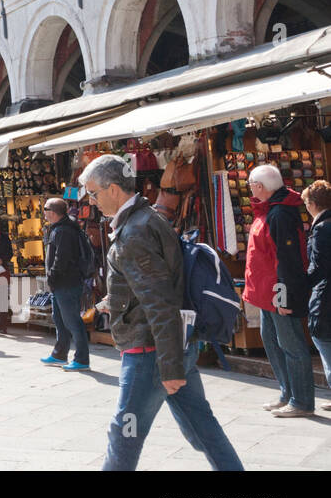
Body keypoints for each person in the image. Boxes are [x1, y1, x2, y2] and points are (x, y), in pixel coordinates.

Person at [79, 154, 243, 471]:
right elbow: (153, 287)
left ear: (113, 189)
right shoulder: (148, 218)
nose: (93, 200)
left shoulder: (134, 233)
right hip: (174, 344)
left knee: (123, 434)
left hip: (150, 353)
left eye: (94, 193)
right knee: (203, 429)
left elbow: (160, 303)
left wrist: (170, 368)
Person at [244, 163, 314, 417]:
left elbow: (287, 258)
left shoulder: (279, 214)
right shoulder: (272, 210)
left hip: (277, 294)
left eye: (251, 184)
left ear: (259, 186)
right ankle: (288, 392)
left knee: (291, 346)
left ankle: (302, 401)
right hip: (267, 293)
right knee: (272, 342)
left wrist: (283, 297)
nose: (250, 189)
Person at [40, 197, 91, 371]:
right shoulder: (60, 228)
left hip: (66, 283)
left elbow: (61, 258)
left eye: (45, 208)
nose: (43, 211)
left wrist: (52, 276)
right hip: (60, 284)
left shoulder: (63, 231)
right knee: (60, 320)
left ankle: (82, 359)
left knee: (73, 322)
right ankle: (59, 354)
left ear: (52, 212)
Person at [301, 180, 331, 410]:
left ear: (312, 204)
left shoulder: (321, 228)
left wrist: (299, 285)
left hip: (326, 293)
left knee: (323, 339)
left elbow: (319, 266)